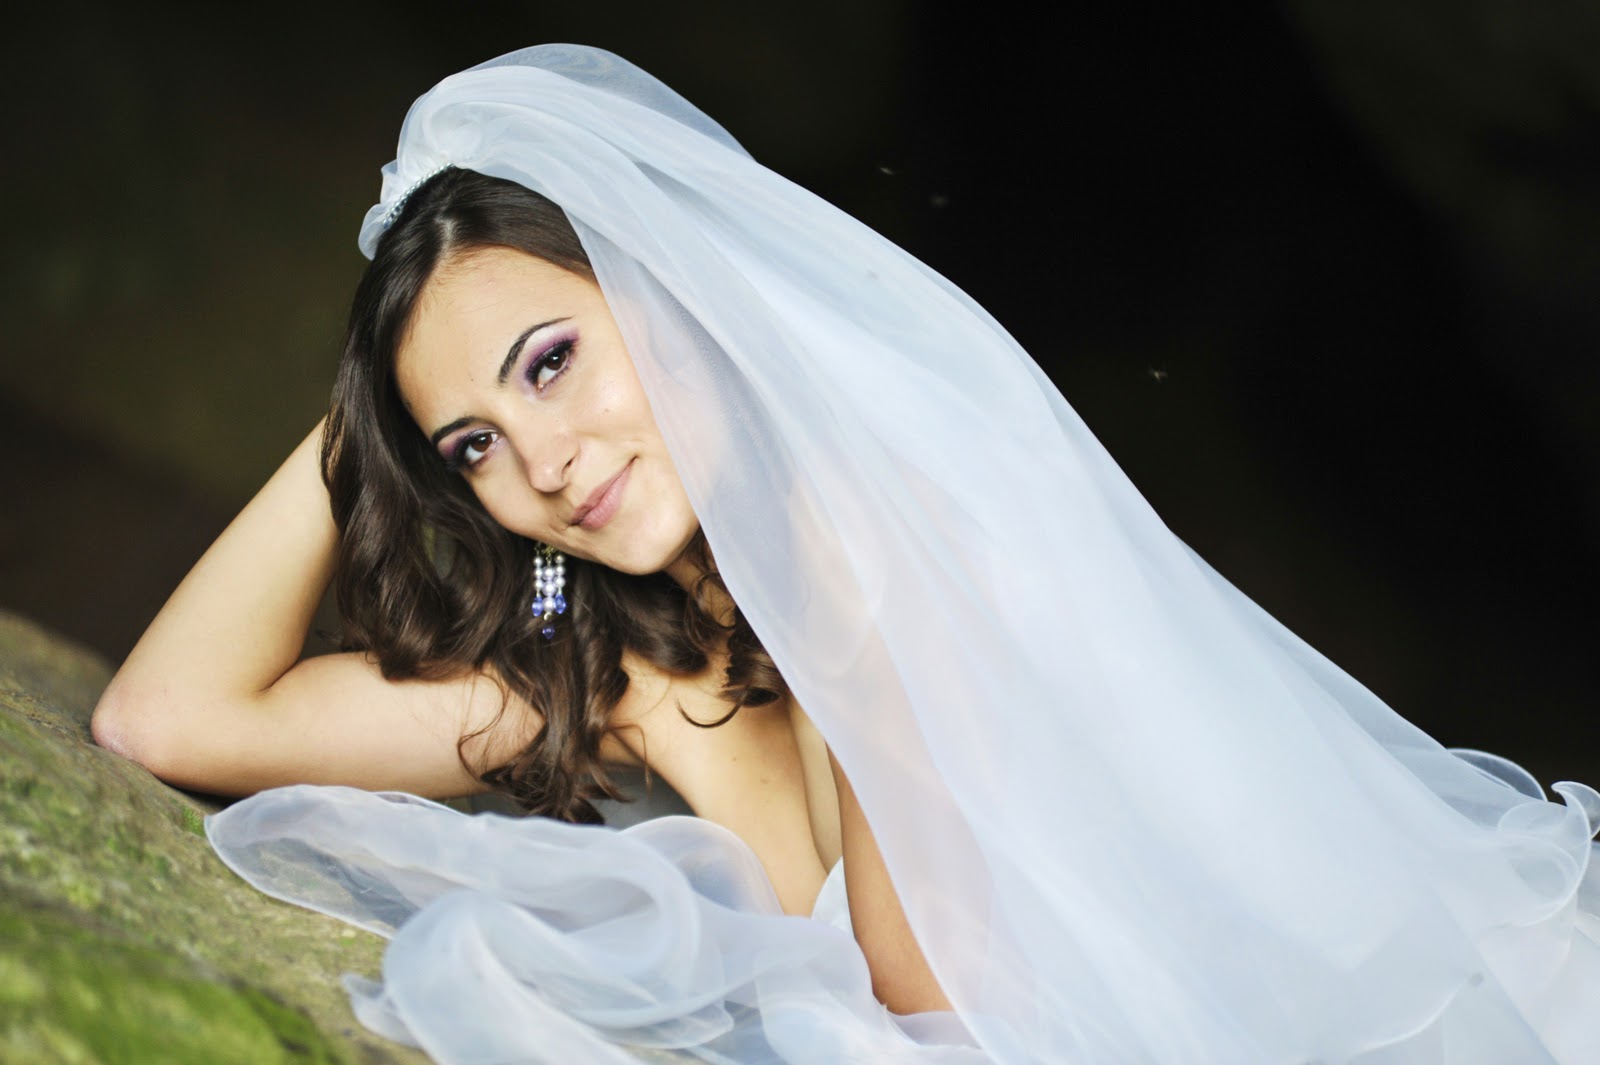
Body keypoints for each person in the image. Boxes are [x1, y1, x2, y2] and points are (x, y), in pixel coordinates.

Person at [92, 44, 1599, 1064]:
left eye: (551, 363)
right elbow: (168, 719)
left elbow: (943, 1008)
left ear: (672, 290)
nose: (539, 464)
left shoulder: (913, 538)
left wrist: (860, 635)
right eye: (473, 448)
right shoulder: (618, 664)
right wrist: (375, 404)